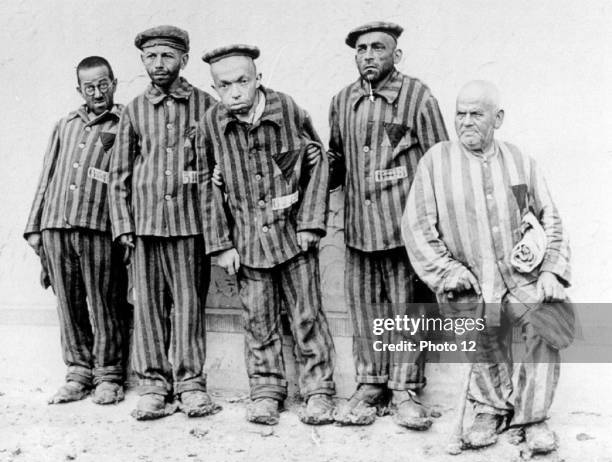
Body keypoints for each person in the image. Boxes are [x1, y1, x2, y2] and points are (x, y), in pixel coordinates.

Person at [402, 80, 573, 454]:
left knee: (547, 320)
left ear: (497, 118)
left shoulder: (520, 160)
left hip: (520, 276)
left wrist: (551, 272)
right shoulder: (436, 161)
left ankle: (533, 418)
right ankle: (489, 410)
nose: (465, 122)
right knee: (477, 331)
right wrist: (447, 271)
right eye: (459, 113)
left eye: (476, 114)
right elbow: (416, 226)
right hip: (470, 279)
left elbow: (551, 218)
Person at [200, 44, 336, 425]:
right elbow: (206, 188)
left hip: (293, 238)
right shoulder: (212, 124)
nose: (236, 91)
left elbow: (317, 162)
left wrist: (310, 223)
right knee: (258, 321)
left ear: (258, 79)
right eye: (225, 85)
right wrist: (222, 245)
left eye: (243, 81)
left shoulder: (288, 109)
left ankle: (318, 391)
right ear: (215, 90)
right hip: (247, 242)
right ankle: (265, 391)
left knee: (307, 317)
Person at [328, 22, 448, 429]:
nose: (368, 55)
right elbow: (336, 161)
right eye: (361, 49)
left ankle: (405, 389)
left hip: (403, 233)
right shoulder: (342, 100)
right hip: (359, 231)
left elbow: (438, 163)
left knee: (406, 310)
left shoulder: (418, 97)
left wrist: (434, 231)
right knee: (364, 310)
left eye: (378, 47)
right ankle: (370, 385)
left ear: (396, 55)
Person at [108, 25, 218, 420]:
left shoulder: (206, 104)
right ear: (142, 61)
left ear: (183, 60)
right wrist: (123, 225)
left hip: (190, 226)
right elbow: (119, 173)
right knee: (149, 309)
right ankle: (153, 385)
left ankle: (190, 384)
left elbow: (216, 167)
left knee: (189, 306)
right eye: (151, 56)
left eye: (167, 56)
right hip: (145, 228)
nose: (159, 63)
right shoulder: (135, 109)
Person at [24, 56, 128, 405]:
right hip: (56, 226)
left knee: (105, 302)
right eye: (89, 87)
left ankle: (109, 375)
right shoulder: (65, 124)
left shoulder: (126, 121)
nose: (97, 92)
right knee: (68, 304)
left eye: (103, 85)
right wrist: (35, 228)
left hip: (99, 227)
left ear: (114, 83)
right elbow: (46, 176)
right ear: (79, 90)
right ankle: (78, 373)